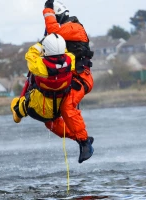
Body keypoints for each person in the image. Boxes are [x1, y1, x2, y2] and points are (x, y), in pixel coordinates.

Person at [11, 32, 93, 164]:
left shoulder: (39, 66)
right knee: (54, 123)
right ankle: (82, 139)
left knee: (18, 106)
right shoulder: (70, 60)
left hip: (39, 109)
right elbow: (65, 53)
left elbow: (30, 54)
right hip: (58, 108)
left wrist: (40, 43)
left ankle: (17, 114)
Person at [42, 0, 95, 163]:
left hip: (81, 77)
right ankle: (81, 139)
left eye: (53, 17)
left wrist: (47, 10)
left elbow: (53, 31)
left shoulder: (74, 27)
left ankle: (85, 142)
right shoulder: (58, 35)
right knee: (49, 120)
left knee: (67, 106)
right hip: (64, 79)